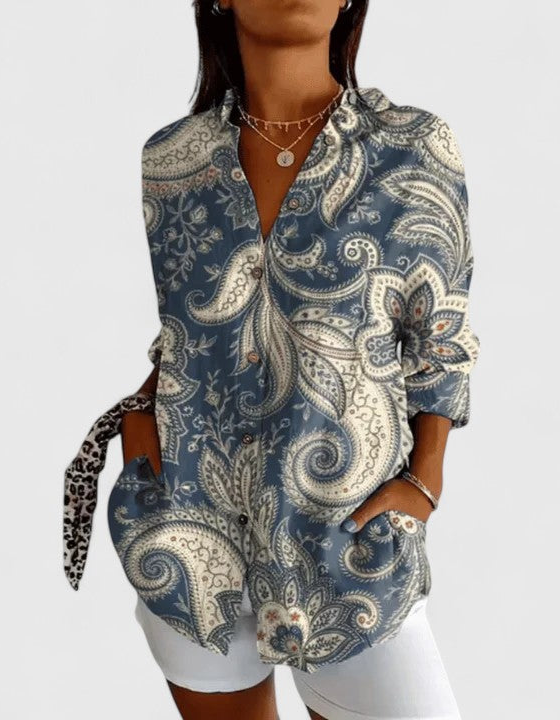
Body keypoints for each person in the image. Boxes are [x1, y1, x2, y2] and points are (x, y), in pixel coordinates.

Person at [63, 1, 480, 718]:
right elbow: (191, 329)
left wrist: (426, 479)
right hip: (191, 531)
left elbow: (439, 334)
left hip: (347, 537)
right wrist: (140, 423)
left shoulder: (411, 146)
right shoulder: (171, 159)